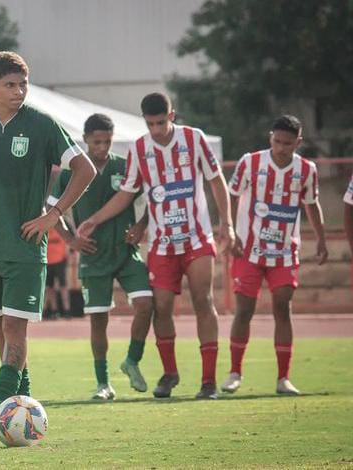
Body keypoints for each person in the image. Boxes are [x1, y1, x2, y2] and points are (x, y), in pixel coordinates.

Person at [0, 51, 95, 435]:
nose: (18, 91)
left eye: (23, 84)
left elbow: (85, 169)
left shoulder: (42, 125)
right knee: (0, 327)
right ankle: (21, 406)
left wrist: (53, 214)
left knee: (15, 327)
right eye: (10, 84)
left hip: (26, 247)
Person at [78, 92, 234, 399]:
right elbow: (127, 193)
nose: (157, 129)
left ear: (172, 115)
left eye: (161, 122)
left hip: (197, 239)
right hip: (162, 244)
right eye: (150, 124)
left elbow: (216, 180)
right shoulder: (139, 148)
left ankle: (208, 382)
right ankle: (170, 374)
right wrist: (94, 220)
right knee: (160, 307)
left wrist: (226, 223)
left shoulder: (194, 139)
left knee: (204, 301)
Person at [49, 113, 153, 399]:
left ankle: (132, 360)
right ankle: (103, 383)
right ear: (85, 140)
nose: (102, 147)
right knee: (99, 320)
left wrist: (141, 226)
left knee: (146, 303)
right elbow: (51, 211)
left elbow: (152, 201)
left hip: (125, 251)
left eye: (107, 141)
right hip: (93, 256)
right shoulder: (71, 172)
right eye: (96, 142)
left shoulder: (125, 166)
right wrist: (71, 240)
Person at [222, 115, 328, 396]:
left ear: (298, 142)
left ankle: (284, 378)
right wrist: (231, 230)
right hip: (249, 249)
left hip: (283, 250)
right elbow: (232, 195)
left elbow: (311, 204)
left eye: (288, 143)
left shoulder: (307, 170)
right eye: (277, 141)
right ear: (271, 137)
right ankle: (234, 372)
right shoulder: (250, 162)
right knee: (244, 310)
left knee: (283, 309)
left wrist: (320, 238)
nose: (281, 148)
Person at [43, 228, 69, 319]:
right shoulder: (44, 225)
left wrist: (66, 255)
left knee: (63, 285)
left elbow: (68, 240)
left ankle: (66, 310)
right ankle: (54, 310)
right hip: (47, 260)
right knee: (49, 287)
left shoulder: (61, 225)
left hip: (60, 260)